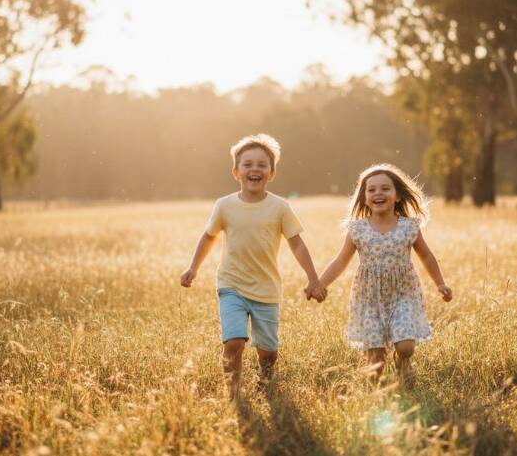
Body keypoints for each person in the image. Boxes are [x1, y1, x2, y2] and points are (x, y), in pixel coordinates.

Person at [180, 133, 326, 399]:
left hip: (267, 290)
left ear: (271, 173)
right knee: (234, 342)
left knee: (267, 352)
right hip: (231, 285)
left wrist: (313, 279)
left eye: (261, 164)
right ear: (236, 172)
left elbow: (297, 244)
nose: (254, 169)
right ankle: (233, 395)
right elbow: (209, 236)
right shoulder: (224, 205)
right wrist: (193, 268)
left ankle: (265, 378)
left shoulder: (280, 207)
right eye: (247, 164)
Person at [318, 163, 452, 387]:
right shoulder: (357, 229)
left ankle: (403, 363)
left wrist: (440, 283)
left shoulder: (409, 227)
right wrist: (319, 283)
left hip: (404, 295)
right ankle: (375, 394)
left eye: (385, 188)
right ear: (364, 197)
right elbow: (340, 261)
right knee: (376, 361)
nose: (378, 193)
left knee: (406, 346)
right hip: (369, 299)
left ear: (397, 195)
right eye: (371, 189)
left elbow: (427, 256)